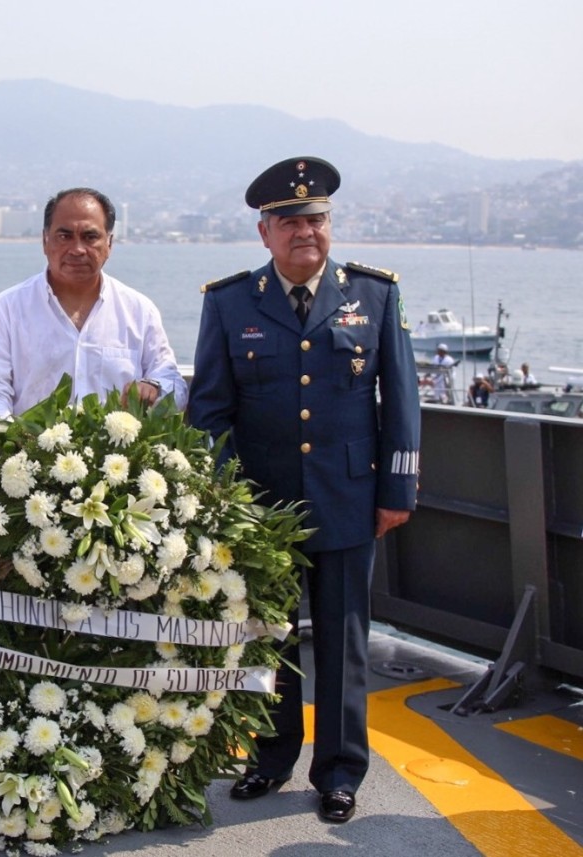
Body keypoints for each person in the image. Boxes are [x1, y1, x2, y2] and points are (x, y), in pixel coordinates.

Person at [188, 156, 420, 824]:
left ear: (330, 225)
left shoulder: (374, 295)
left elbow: (401, 399)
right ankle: (269, 756)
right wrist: (225, 501)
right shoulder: (229, 302)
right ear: (264, 233)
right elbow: (210, 410)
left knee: (346, 639)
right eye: (288, 222)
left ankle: (341, 769)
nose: (304, 233)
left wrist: (397, 485)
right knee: (269, 636)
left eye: (315, 219)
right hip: (262, 505)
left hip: (349, 496)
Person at [0, 187, 187, 417]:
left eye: (90, 237)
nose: (77, 249)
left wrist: (154, 388)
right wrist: (11, 439)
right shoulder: (7, 309)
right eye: (64, 236)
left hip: (121, 452)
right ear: (45, 241)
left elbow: (174, 382)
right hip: (28, 449)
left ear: (109, 244)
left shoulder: (139, 311)